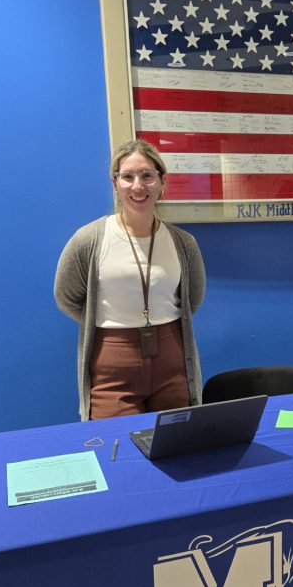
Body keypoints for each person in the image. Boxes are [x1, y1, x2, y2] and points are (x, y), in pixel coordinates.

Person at [54, 139, 206, 420]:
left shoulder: (183, 243)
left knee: (176, 447)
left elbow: (192, 299)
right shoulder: (89, 239)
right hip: (112, 362)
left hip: (172, 361)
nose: (138, 186)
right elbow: (66, 297)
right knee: (117, 450)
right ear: (115, 184)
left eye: (147, 176)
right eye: (127, 177)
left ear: (162, 182)